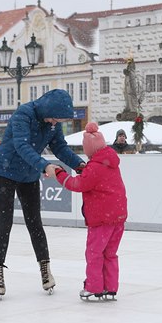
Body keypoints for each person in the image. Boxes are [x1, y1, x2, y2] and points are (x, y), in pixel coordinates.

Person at [0, 89, 86, 298]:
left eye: (57, 121)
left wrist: (79, 164)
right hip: (3, 173)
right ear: (47, 110)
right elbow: (21, 145)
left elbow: (59, 147)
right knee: (4, 222)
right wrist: (44, 166)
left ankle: (45, 269)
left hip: (28, 176)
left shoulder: (53, 124)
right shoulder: (23, 114)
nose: (54, 123)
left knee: (35, 223)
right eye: (53, 119)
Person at [54, 122, 128, 301]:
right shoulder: (110, 162)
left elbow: (77, 184)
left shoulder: (95, 167)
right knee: (110, 253)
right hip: (118, 217)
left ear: (90, 149)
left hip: (101, 219)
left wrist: (59, 174)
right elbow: (94, 177)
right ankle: (110, 287)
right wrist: (86, 169)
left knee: (94, 253)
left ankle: (94, 287)